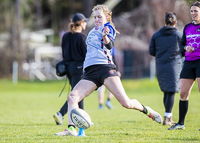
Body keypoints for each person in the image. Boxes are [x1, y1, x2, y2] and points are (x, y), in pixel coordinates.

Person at [54, 4, 162, 136]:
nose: (97, 19)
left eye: (99, 17)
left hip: (105, 69)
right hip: (90, 72)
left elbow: (109, 46)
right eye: (95, 17)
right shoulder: (92, 31)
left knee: (126, 103)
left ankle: (147, 110)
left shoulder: (108, 28)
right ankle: (71, 129)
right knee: (72, 97)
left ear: (106, 16)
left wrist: (105, 36)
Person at [168, 1, 200, 130]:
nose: (193, 13)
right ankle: (181, 123)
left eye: (196, 11)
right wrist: (186, 47)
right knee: (183, 93)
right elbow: (181, 46)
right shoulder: (187, 27)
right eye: (191, 11)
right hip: (188, 62)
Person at [53, 13, 88, 126]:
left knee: (78, 93)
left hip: (68, 68)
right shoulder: (82, 38)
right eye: (85, 21)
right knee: (76, 94)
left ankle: (82, 118)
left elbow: (63, 53)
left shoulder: (66, 36)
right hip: (79, 69)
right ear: (81, 23)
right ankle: (60, 113)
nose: (86, 23)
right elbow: (86, 55)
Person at [149, 12, 183, 126]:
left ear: (164, 22)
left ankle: (168, 116)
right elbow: (184, 49)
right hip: (174, 65)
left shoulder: (156, 35)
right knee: (171, 91)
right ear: (175, 22)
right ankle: (167, 118)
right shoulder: (179, 35)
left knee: (166, 91)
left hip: (160, 65)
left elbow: (151, 51)